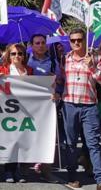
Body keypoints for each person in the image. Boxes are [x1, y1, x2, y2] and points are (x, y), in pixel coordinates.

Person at [62, 28, 101, 190]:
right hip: (69, 105)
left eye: (79, 40)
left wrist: (93, 67)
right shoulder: (65, 59)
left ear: (85, 40)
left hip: (89, 107)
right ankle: (72, 178)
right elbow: (58, 80)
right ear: (70, 42)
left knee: (93, 144)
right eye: (73, 40)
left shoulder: (95, 57)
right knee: (70, 144)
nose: (76, 43)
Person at [28, 34, 61, 183]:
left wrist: (56, 82)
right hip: (28, 104)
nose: (40, 45)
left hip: (47, 105)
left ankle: (46, 170)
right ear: (32, 45)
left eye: (42, 43)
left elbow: (61, 81)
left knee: (47, 137)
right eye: (37, 43)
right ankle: (24, 168)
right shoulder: (26, 60)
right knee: (26, 135)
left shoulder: (53, 62)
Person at [0, 43, 33, 183]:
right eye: (13, 53)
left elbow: (36, 89)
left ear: (24, 56)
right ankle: (8, 171)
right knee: (7, 140)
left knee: (19, 140)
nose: (17, 56)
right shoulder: (3, 69)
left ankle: (16, 170)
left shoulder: (29, 70)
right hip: (6, 111)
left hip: (24, 111)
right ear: (8, 55)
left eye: (20, 53)